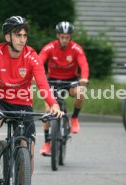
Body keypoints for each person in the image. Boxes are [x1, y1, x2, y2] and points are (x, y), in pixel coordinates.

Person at [0, 16, 63, 179]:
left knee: (28, 149)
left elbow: (42, 83)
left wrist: (53, 104)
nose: (22, 39)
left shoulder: (31, 56)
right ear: (8, 37)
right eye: (18, 35)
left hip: (22, 102)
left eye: (25, 35)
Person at [39, 21, 89, 156]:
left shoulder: (76, 49)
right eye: (62, 37)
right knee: (49, 110)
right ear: (57, 36)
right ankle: (47, 143)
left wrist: (84, 78)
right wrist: (35, 76)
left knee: (80, 92)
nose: (65, 40)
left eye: (67, 37)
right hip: (52, 80)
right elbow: (39, 61)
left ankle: (74, 118)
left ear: (71, 37)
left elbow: (83, 64)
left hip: (70, 80)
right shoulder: (49, 47)